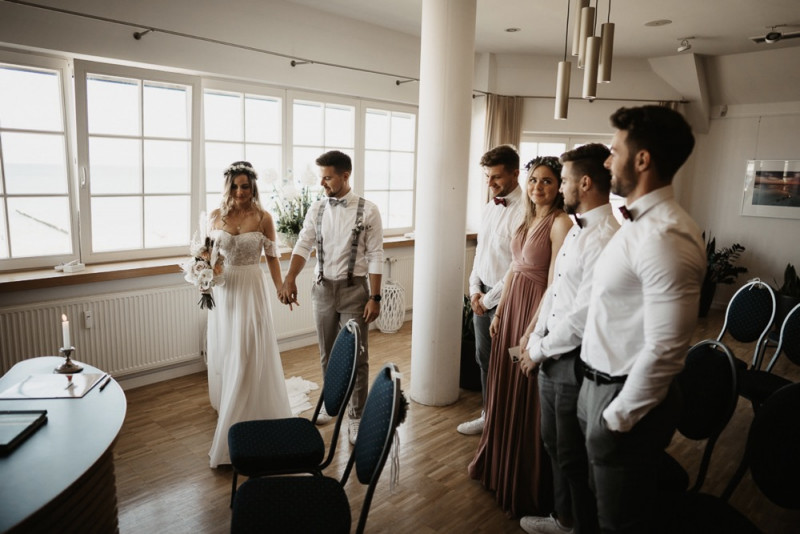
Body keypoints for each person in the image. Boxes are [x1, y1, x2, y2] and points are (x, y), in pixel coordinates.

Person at [577, 106, 705, 532]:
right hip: (596, 385)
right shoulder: (634, 224)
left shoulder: (666, 236)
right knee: (599, 505)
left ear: (643, 160)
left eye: (615, 152)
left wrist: (617, 418)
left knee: (621, 521)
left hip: (623, 397)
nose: (607, 163)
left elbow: (667, 349)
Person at [517, 144, 619, 534]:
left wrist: (538, 352)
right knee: (554, 444)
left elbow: (582, 317)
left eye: (566, 180)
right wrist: (534, 335)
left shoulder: (606, 237)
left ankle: (577, 525)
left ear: (585, 182)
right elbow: (556, 290)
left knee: (571, 454)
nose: (561, 188)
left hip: (572, 360)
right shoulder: (578, 228)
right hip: (549, 351)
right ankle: (563, 517)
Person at [468, 156, 573, 517]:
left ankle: (523, 480)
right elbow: (514, 266)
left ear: (559, 186)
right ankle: (497, 467)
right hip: (511, 309)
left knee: (525, 391)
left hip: (534, 311)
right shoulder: (528, 218)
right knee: (504, 383)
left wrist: (530, 329)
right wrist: (500, 313)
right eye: (534, 180)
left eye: (546, 181)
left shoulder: (561, 223)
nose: (537, 187)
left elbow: (555, 283)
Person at [206, 161, 314, 468]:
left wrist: (281, 287)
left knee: (248, 347)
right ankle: (230, 398)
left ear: (253, 186)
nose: (240, 192)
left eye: (245, 186)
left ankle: (244, 411)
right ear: (228, 187)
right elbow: (207, 255)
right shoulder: (216, 216)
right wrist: (204, 274)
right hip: (226, 289)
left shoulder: (264, 217)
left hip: (252, 287)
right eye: (235, 186)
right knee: (230, 347)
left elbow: (272, 257)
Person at [278, 150, 383, 445]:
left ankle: (356, 415)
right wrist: (290, 278)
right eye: (321, 178)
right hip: (323, 289)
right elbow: (303, 244)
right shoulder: (317, 209)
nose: (322, 183)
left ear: (345, 176)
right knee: (328, 353)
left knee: (357, 356)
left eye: (327, 178)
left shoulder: (369, 210)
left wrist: (375, 297)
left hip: (355, 290)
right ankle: (331, 403)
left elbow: (376, 254)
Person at [458, 144, 524, 435]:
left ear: (515, 173)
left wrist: (489, 299)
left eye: (496, 177)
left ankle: (511, 419)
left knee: (510, 360)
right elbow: (480, 252)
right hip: (481, 294)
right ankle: (488, 415)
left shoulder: (525, 211)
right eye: (487, 176)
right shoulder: (488, 208)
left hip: (508, 297)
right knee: (483, 359)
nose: (490, 183)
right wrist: (474, 290)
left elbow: (518, 265)